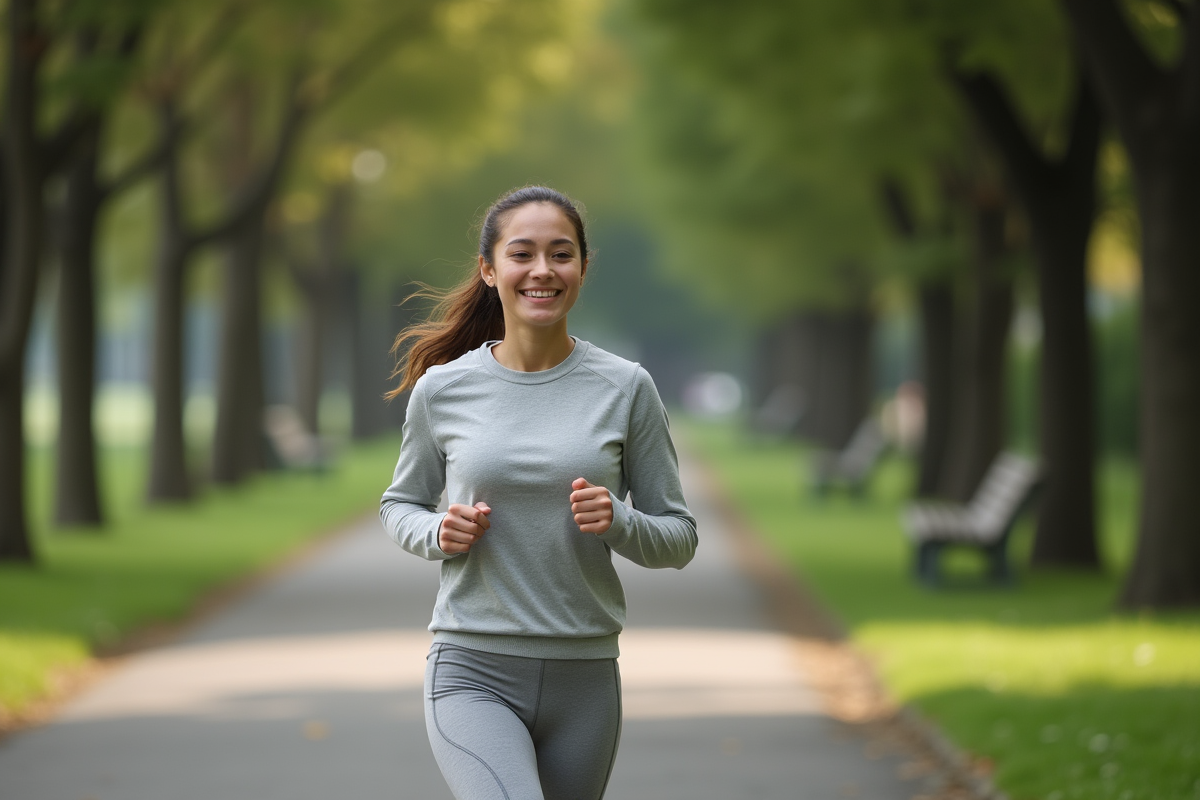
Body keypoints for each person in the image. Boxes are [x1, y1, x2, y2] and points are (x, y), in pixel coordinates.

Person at [379, 186, 697, 800]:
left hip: (587, 678)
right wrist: (437, 531)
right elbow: (400, 505)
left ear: (582, 267)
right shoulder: (444, 389)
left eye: (561, 253)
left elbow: (678, 539)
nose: (542, 271)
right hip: (473, 668)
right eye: (522, 253)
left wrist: (619, 522)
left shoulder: (626, 387)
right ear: (490, 270)